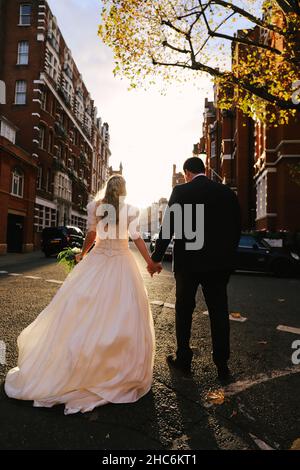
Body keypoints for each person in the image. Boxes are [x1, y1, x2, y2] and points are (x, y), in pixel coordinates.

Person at [5, 176, 157, 415]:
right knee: (124, 312)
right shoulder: (130, 210)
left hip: (98, 261)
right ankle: (116, 369)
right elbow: (137, 238)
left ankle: (73, 365)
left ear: (107, 188)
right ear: (125, 190)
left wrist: (82, 255)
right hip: (122, 264)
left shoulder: (95, 207)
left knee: (80, 308)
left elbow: (91, 235)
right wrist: (149, 263)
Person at [149, 157, 241, 383]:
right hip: (218, 266)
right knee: (219, 313)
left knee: (184, 310)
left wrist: (156, 258)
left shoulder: (181, 192)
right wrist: (228, 259)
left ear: (187, 172)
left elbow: (168, 227)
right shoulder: (226, 193)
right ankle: (222, 366)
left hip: (188, 265)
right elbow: (236, 229)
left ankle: (184, 358)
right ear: (205, 171)